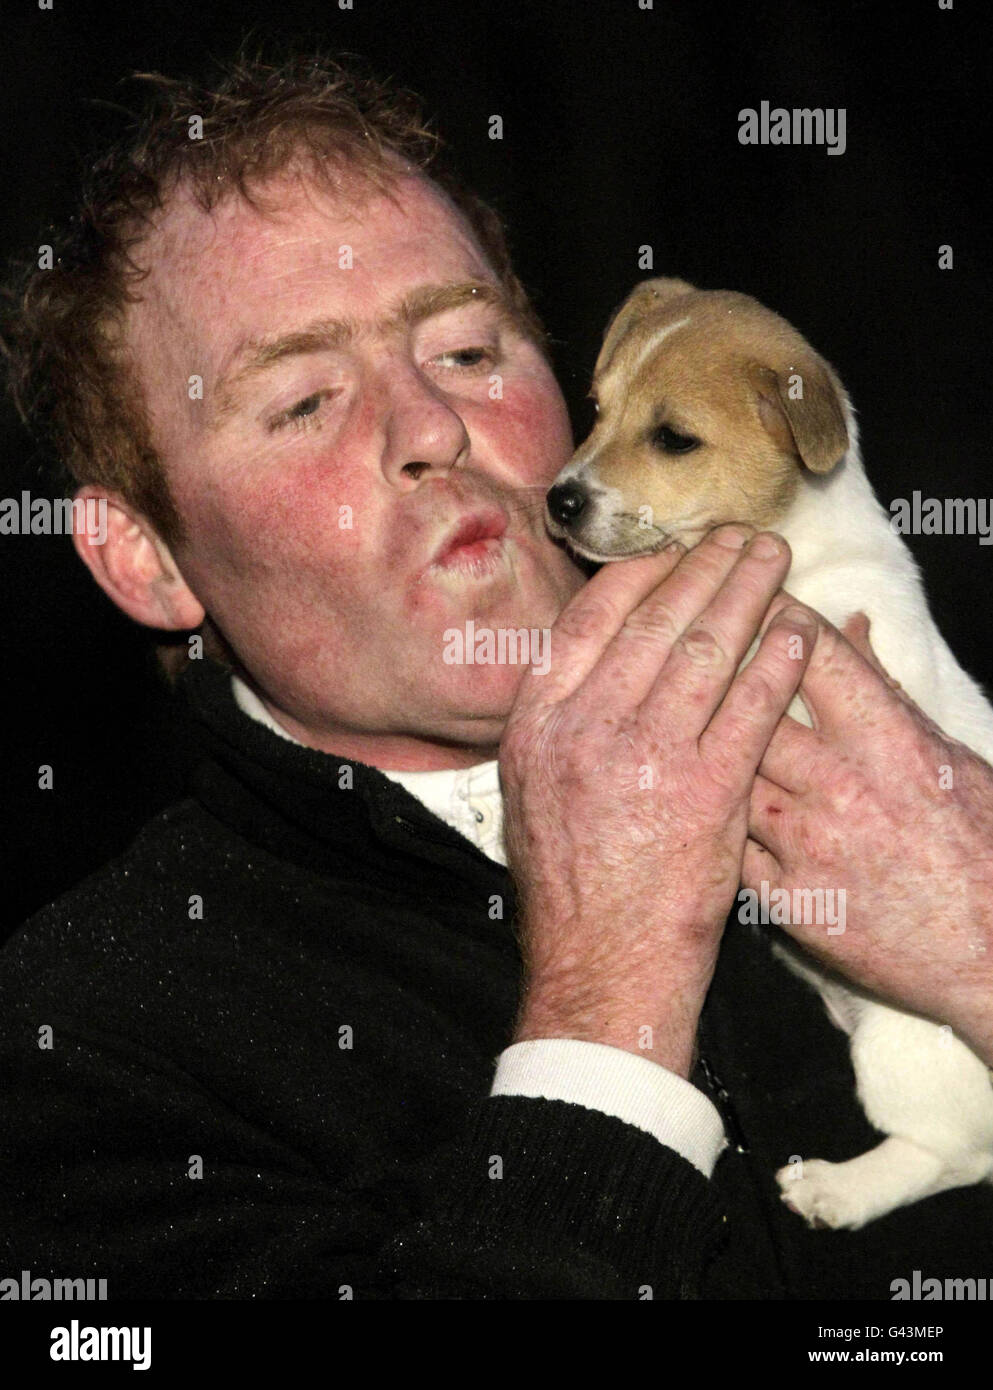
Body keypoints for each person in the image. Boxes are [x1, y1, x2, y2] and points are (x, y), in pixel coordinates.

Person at [2, 51, 992, 1300]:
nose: (432, 428)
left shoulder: (925, 765)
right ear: (143, 558)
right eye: (305, 400)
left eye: (470, 352)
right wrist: (606, 1002)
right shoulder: (89, 1043)